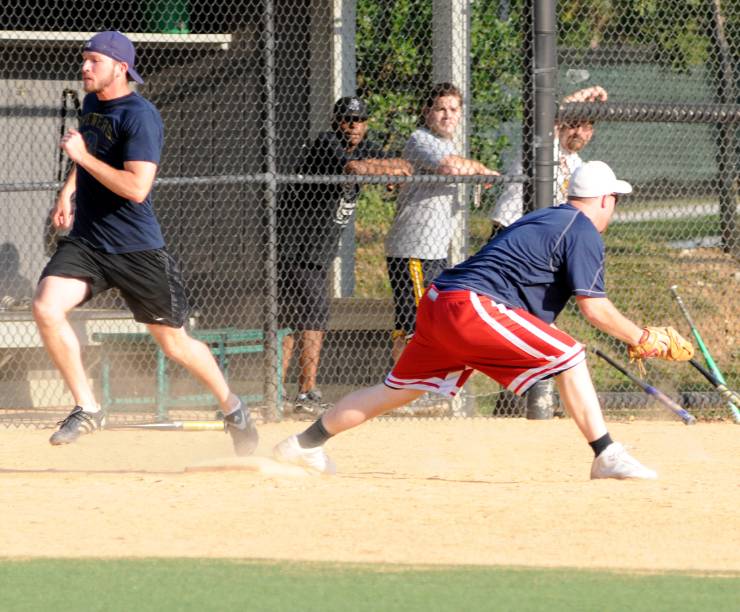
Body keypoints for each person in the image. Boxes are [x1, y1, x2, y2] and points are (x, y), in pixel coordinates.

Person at [273, 161, 694, 480]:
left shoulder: (544, 216)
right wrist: (643, 336)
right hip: (471, 306)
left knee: (393, 391)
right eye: (615, 201)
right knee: (570, 354)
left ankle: (303, 444)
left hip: (441, 302)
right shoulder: (581, 229)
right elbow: (594, 308)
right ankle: (606, 454)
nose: (614, 209)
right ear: (605, 200)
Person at [33, 31, 257, 454]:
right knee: (46, 307)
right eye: (84, 59)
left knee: (174, 343)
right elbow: (92, 153)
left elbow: (136, 187)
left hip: (136, 249)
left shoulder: (141, 115)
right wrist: (68, 189)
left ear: (120, 68)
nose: (84, 67)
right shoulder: (92, 104)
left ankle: (233, 407)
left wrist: (80, 158)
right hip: (89, 242)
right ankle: (88, 407)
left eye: (94, 61)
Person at [277, 96, 411, 415]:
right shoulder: (327, 142)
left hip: (318, 250)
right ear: (336, 121)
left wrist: (381, 168)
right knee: (313, 316)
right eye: (347, 120)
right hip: (298, 246)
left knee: (294, 321)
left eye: (360, 120)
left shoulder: (365, 144)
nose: (353, 126)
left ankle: (277, 391)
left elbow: (402, 165)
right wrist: (381, 170)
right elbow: (353, 168)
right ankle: (305, 392)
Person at [384, 82, 498, 362]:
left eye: (453, 109)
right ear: (427, 112)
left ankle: (408, 386)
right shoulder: (420, 139)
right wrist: (481, 170)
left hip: (435, 250)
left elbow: (456, 163)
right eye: (440, 109)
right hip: (414, 249)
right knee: (417, 323)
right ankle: (407, 387)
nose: (447, 115)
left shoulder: (449, 144)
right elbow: (450, 167)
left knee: (427, 320)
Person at [489, 85, 608, 237]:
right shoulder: (546, 144)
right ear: (562, 126)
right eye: (573, 124)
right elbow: (549, 117)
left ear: (590, 134)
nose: (578, 132)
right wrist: (583, 94)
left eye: (585, 127)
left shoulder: (578, 166)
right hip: (510, 227)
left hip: (540, 234)